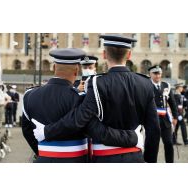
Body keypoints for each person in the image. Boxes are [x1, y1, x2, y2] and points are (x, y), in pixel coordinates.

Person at [32, 35, 160, 163]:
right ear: (129, 55)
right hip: (136, 156)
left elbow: (83, 120)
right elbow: (154, 129)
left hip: (104, 157)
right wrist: (149, 160)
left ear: (104, 55)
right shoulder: (145, 83)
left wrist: (47, 131)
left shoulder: (96, 83)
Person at [148, 65, 178, 163]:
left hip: (165, 120)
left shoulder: (166, 85)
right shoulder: (146, 85)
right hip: (152, 120)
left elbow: (172, 102)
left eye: (159, 73)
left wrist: (175, 116)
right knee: (153, 145)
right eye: (155, 74)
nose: (158, 76)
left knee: (169, 143)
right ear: (150, 74)